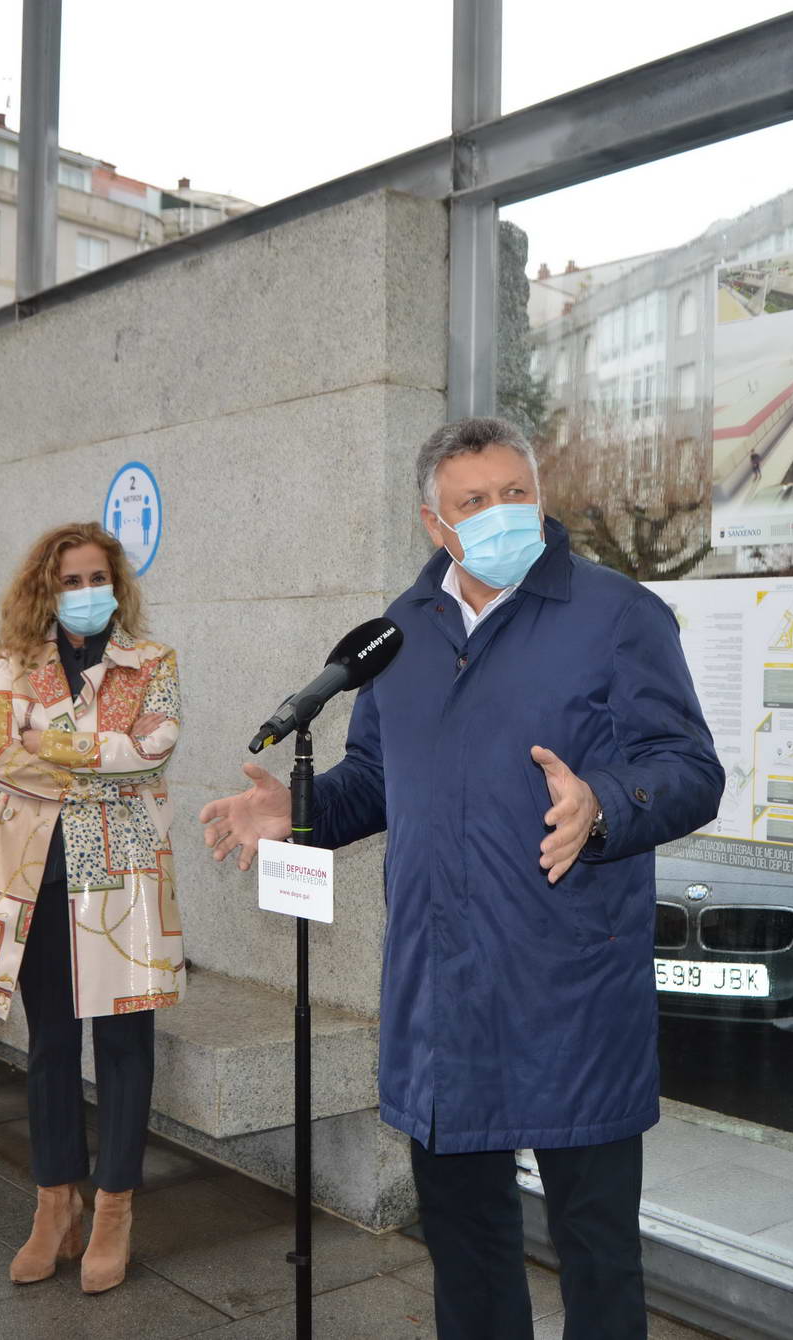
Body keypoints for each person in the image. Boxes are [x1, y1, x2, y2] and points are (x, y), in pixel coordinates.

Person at [200, 417, 722, 1340]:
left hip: (573, 989)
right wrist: (297, 809)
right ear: (435, 524)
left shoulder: (616, 614)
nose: (500, 513)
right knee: (467, 1242)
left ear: (541, 497)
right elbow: (374, 779)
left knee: (596, 1250)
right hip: (443, 993)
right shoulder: (399, 635)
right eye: (473, 501)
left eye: (514, 492)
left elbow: (689, 767)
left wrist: (603, 804)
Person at [0, 522, 184, 1290]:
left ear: (117, 584)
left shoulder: (153, 662)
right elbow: (2, 758)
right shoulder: (16, 663)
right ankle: (54, 1204)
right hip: (35, 875)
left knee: (125, 1050)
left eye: (95, 578)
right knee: (49, 1047)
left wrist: (58, 746)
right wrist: (104, 755)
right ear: (47, 589)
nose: (83, 593)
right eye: (68, 581)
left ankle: (113, 1210)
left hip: (124, 881)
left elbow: (155, 749)